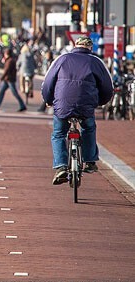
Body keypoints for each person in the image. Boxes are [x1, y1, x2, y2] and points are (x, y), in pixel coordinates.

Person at [42, 36, 113, 185]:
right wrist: (101, 102)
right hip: (86, 106)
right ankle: (90, 160)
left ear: (75, 46)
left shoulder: (62, 59)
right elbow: (108, 87)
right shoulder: (96, 62)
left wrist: (49, 100)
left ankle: (61, 166)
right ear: (90, 48)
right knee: (89, 128)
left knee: (58, 134)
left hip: (63, 105)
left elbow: (47, 83)